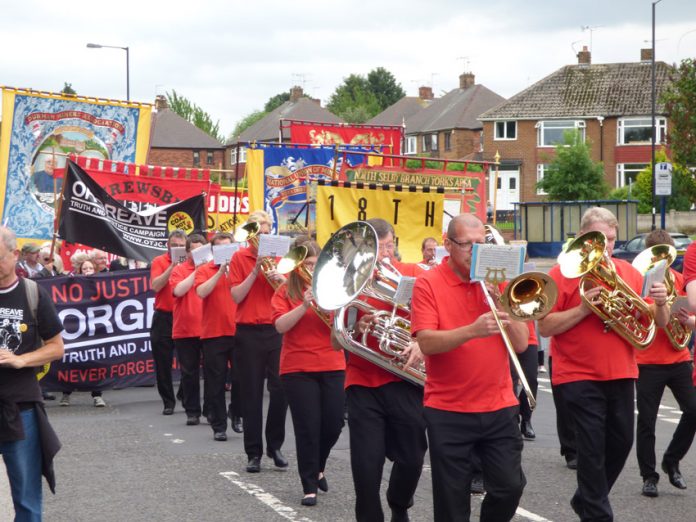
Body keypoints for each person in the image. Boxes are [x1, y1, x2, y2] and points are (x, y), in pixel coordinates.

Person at [538, 207, 670, 521]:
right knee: (592, 449)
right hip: (577, 374)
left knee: (622, 442)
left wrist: (662, 303)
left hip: (622, 371)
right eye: (600, 240)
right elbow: (544, 327)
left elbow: (657, 321)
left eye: (611, 239)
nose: (607, 247)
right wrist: (584, 309)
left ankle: (586, 499)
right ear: (584, 238)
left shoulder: (628, 272)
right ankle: (597, 514)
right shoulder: (561, 274)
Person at [411, 213, 528, 522]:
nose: (476, 252)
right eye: (467, 245)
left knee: (510, 487)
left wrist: (503, 303)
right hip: (448, 409)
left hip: (499, 405)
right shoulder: (428, 282)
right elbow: (426, 343)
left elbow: (520, 344)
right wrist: (472, 330)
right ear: (448, 244)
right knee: (451, 503)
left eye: (481, 243)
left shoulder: (498, 279)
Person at [339, 217, 428, 522]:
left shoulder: (413, 274)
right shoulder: (350, 283)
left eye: (389, 246)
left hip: (404, 378)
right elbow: (337, 337)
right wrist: (359, 323)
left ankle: (399, 503)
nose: (386, 254)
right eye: (379, 249)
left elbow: (434, 317)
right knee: (366, 465)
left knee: (413, 457)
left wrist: (419, 339)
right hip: (363, 381)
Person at [272, 237, 346, 507]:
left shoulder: (334, 289)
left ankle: (319, 466)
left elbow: (344, 325)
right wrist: (304, 305)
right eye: (307, 264)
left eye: (316, 264)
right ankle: (309, 485)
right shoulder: (285, 293)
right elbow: (280, 326)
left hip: (332, 363)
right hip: (297, 368)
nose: (311, 270)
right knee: (307, 429)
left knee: (334, 423)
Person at [0, 226, 65, 520]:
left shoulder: (32, 293)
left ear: (15, 255)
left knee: (26, 499)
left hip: (20, 404)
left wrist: (21, 360)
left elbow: (56, 347)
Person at [634, 229, 696, 497]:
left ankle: (672, 460)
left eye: (668, 257)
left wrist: (685, 317)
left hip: (679, 355)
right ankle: (649, 476)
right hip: (648, 360)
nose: (664, 265)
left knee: (694, 410)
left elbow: (690, 309)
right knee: (646, 422)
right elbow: (636, 313)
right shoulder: (641, 281)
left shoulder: (681, 279)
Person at [230, 210, 288, 472]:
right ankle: (253, 452)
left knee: (280, 389)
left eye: (266, 228)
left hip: (275, 329)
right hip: (249, 332)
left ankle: (274, 445)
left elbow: (289, 295)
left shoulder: (281, 257)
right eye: (258, 229)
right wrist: (255, 271)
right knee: (251, 392)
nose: (263, 233)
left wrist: (281, 279)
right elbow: (236, 297)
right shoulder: (239, 257)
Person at [194, 232, 241, 439]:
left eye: (228, 247)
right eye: (220, 247)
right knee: (215, 382)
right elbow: (201, 292)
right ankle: (219, 426)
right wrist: (220, 270)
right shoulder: (204, 269)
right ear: (214, 251)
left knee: (242, 379)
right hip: (213, 333)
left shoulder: (240, 269)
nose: (225, 251)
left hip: (240, 331)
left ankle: (236, 411)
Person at [149, 230, 188, 415]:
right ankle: (168, 401)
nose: (178, 249)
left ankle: (183, 394)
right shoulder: (159, 261)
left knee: (189, 361)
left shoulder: (191, 261)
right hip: (164, 316)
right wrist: (172, 266)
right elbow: (155, 286)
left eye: (181, 246)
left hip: (185, 316)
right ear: (168, 245)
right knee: (163, 362)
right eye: (175, 246)